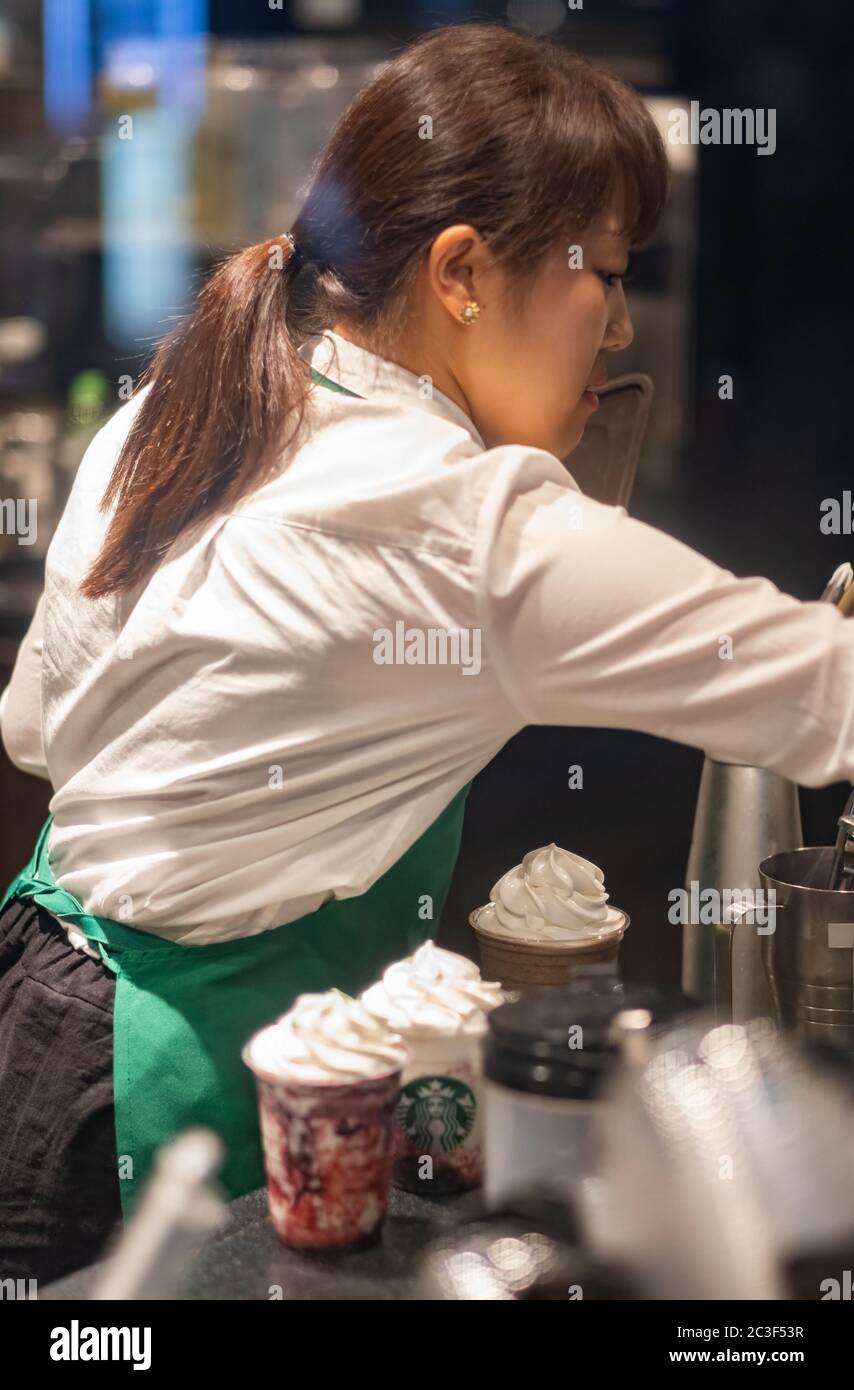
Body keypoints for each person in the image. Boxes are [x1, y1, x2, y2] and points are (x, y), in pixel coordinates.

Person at [2, 22, 853, 1284]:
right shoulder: (461, 522)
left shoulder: (191, 398)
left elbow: (32, 725)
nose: (617, 331)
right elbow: (819, 690)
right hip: (163, 1095)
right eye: (604, 274)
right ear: (460, 272)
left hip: (34, 1021)